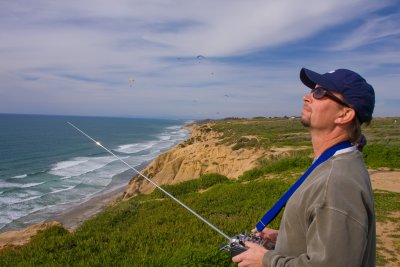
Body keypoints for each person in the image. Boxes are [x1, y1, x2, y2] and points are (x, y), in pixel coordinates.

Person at [233, 68, 376, 266]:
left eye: (319, 93)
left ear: (344, 115)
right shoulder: (333, 164)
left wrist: (266, 261)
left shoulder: (336, 182)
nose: (306, 97)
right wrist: (285, 238)